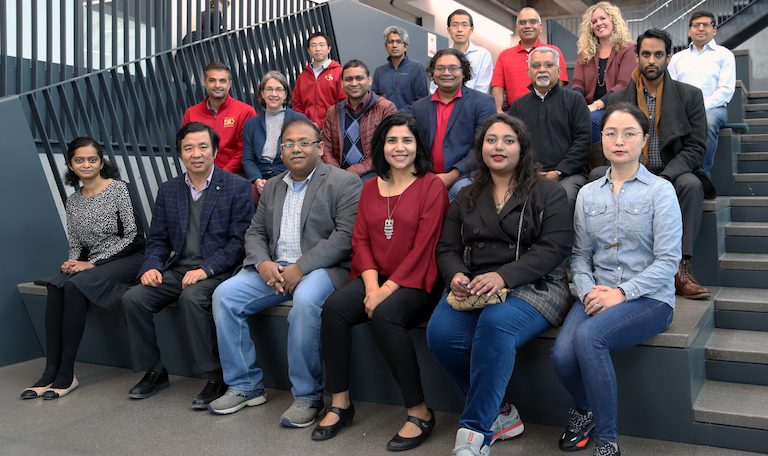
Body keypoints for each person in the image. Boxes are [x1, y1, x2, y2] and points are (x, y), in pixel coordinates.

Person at [427, 113, 574, 456]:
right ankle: (502, 413)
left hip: (535, 283)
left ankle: (475, 432)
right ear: (480, 149)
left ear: (522, 148)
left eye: (508, 140)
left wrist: (504, 276)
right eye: (491, 140)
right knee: (441, 335)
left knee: (495, 326)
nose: (499, 147)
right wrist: (456, 276)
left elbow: (555, 249)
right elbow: (447, 248)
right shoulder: (465, 195)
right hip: (475, 285)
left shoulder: (548, 192)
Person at [209, 118, 361, 425]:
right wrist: (263, 263)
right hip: (273, 269)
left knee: (305, 302)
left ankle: (307, 396)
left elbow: (345, 238)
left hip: (321, 268)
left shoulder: (343, 182)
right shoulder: (274, 185)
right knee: (224, 295)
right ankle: (244, 385)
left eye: (304, 143)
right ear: (280, 150)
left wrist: (300, 267)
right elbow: (254, 233)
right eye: (289, 143)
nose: (296, 149)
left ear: (320, 147)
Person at [312, 113, 448, 451]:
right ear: (380, 146)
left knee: (386, 315)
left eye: (406, 140)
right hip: (377, 276)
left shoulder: (432, 186)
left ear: (418, 146)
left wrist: (384, 292)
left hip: (418, 281)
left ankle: (419, 412)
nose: (399, 147)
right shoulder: (370, 186)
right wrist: (372, 288)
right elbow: (361, 241)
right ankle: (340, 403)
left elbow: (424, 249)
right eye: (391, 140)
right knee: (334, 308)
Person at [552, 103, 682, 456]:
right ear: (602, 139)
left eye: (629, 134)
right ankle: (586, 409)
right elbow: (579, 255)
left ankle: (607, 440)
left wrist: (622, 293)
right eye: (611, 133)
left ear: (643, 140)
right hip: (596, 290)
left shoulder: (661, 191)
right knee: (562, 354)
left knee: (590, 338)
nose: (619, 140)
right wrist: (586, 290)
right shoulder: (587, 193)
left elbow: (668, 261)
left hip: (649, 298)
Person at [121, 122, 254, 408]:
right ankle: (154, 371)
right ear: (180, 153)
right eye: (189, 148)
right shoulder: (168, 190)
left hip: (219, 270)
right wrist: (152, 267)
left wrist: (206, 269)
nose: (196, 153)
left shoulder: (237, 187)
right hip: (179, 267)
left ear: (215, 151)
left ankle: (214, 375)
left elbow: (239, 242)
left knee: (192, 298)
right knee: (134, 298)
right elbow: (156, 238)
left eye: (203, 147)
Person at [20, 138, 144, 400]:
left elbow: (134, 237)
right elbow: (77, 243)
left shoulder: (120, 189)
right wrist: (72, 261)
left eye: (92, 159)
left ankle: (66, 373)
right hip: (93, 262)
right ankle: (50, 371)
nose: (86, 164)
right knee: (56, 285)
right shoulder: (73, 201)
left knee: (75, 286)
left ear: (101, 162)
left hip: (128, 257)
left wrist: (91, 264)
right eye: (79, 160)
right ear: (70, 165)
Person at [593, 28, 711, 300]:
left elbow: (696, 149)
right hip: (629, 169)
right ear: (637, 57)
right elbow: (609, 140)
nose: (651, 60)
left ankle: (681, 269)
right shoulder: (618, 99)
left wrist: (666, 177)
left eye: (658, 54)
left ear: (668, 58)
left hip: (672, 171)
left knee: (691, 184)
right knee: (596, 177)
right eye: (645, 54)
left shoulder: (690, 96)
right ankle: (603, 264)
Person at [403, 48, 496, 201]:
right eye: (440, 68)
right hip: (426, 175)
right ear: (433, 73)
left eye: (453, 68)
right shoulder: (419, 107)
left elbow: (482, 147)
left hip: (465, 176)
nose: (446, 72)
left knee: (462, 192)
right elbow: (415, 146)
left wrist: (452, 175)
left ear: (464, 72)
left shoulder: (482, 103)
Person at [507, 46, 591, 207]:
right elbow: (512, 145)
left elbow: (583, 141)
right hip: (528, 176)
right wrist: (529, 173)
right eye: (536, 66)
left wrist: (559, 171)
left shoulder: (575, 101)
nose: (542, 70)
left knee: (562, 198)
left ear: (559, 70)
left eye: (549, 65)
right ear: (528, 71)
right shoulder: (518, 106)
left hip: (568, 175)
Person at [669, 10, 736, 175]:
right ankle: (673, 172)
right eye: (696, 25)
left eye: (705, 24)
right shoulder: (678, 58)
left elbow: (726, 90)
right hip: (682, 109)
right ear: (689, 30)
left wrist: (699, 108)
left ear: (714, 30)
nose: (700, 28)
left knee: (708, 121)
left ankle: (701, 173)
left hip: (714, 109)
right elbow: (670, 88)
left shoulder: (725, 55)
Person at [571, 2, 635, 143]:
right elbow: (577, 83)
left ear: (613, 20)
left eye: (603, 18)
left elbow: (623, 85)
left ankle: (598, 163)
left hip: (618, 106)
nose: (598, 23)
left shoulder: (628, 49)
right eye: (594, 21)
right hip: (589, 107)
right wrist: (578, 106)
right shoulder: (585, 53)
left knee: (590, 120)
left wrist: (596, 105)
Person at [321, 60, 397, 180]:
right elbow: (325, 147)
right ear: (341, 83)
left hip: (375, 173)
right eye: (348, 79)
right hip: (339, 174)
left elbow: (389, 146)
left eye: (359, 78)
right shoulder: (333, 112)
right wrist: (336, 172)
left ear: (369, 80)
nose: (354, 83)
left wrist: (356, 170)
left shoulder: (385, 108)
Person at [182, 61, 256, 174]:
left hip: (235, 176)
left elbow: (245, 150)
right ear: (205, 82)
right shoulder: (191, 113)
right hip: (199, 175)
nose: (217, 85)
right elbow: (186, 146)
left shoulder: (245, 112)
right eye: (212, 80)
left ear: (229, 83)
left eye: (222, 81)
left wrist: (221, 175)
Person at [242, 71, 309, 194]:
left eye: (279, 89)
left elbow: (306, 154)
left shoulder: (299, 120)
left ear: (285, 94)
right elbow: (248, 158)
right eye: (269, 89)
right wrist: (257, 180)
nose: (274, 94)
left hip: (290, 175)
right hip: (261, 177)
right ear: (262, 93)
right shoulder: (251, 124)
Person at [491, 7, 568, 112]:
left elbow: (560, 83)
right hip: (515, 115)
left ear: (540, 27)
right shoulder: (504, 56)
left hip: (550, 111)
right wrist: (498, 111)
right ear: (517, 28)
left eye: (532, 22)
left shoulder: (554, 52)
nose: (527, 26)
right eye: (522, 23)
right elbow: (497, 86)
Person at [431, 9, 493, 94]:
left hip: (474, 104)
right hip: (445, 104)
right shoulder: (441, 57)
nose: (459, 29)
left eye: (464, 25)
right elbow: (434, 87)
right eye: (455, 25)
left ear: (471, 29)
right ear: (448, 29)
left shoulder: (483, 55)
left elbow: (482, 88)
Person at [292, 31, 345, 129]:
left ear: (329, 49)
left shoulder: (339, 73)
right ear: (308, 50)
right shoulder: (302, 76)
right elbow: (297, 104)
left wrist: (325, 124)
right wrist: (306, 124)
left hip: (333, 129)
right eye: (313, 45)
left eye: (321, 45)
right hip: (308, 130)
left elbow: (343, 103)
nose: (318, 49)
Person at [371, 26, 429, 110]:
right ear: (386, 46)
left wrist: (399, 115)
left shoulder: (417, 68)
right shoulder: (379, 71)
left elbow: (422, 100)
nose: (394, 45)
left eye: (398, 42)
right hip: (385, 120)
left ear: (405, 46)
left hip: (409, 120)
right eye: (391, 42)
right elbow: (375, 100)